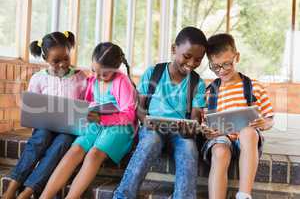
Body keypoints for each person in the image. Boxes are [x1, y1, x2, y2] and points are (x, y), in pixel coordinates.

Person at [113, 26, 208, 199]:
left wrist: (192, 127)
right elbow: (140, 107)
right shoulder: (153, 73)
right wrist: (145, 119)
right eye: (187, 56)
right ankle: (123, 195)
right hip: (152, 128)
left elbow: (195, 116)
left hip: (180, 133)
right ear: (174, 49)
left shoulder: (197, 83)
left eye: (198, 60)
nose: (191, 64)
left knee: (189, 148)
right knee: (150, 141)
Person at [40, 42, 137, 199]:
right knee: (75, 149)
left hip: (119, 127)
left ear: (116, 68)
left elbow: (129, 115)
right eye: (94, 71)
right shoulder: (93, 81)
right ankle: (44, 197)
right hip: (96, 123)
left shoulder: (121, 81)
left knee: (93, 154)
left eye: (104, 74)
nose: (97, 77)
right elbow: (87, 103)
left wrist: (102, 118)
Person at [2, 31, 87, 199]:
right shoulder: (38, 78)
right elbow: (32, 107)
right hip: (44, 126)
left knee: (60, 146)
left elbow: (85, 104)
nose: (63, 64)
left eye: (66, 58)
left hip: (68, 129)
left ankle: (28, 191)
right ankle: (12, 187)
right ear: (45, 60)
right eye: (56, 61)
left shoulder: (79, 77)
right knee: (39, 140)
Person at [202, 33, 274, 199]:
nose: (222, 71)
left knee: (248, 132)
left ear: (237, 57)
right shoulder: (209, 92)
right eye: (215, 67)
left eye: (227, 64)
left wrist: (263, 123)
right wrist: (207, 131)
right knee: (219, 151)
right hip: (221, 138)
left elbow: (269, 119)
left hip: (246, 142)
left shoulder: (254, 87)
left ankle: (243, 194)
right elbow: (205, 123)